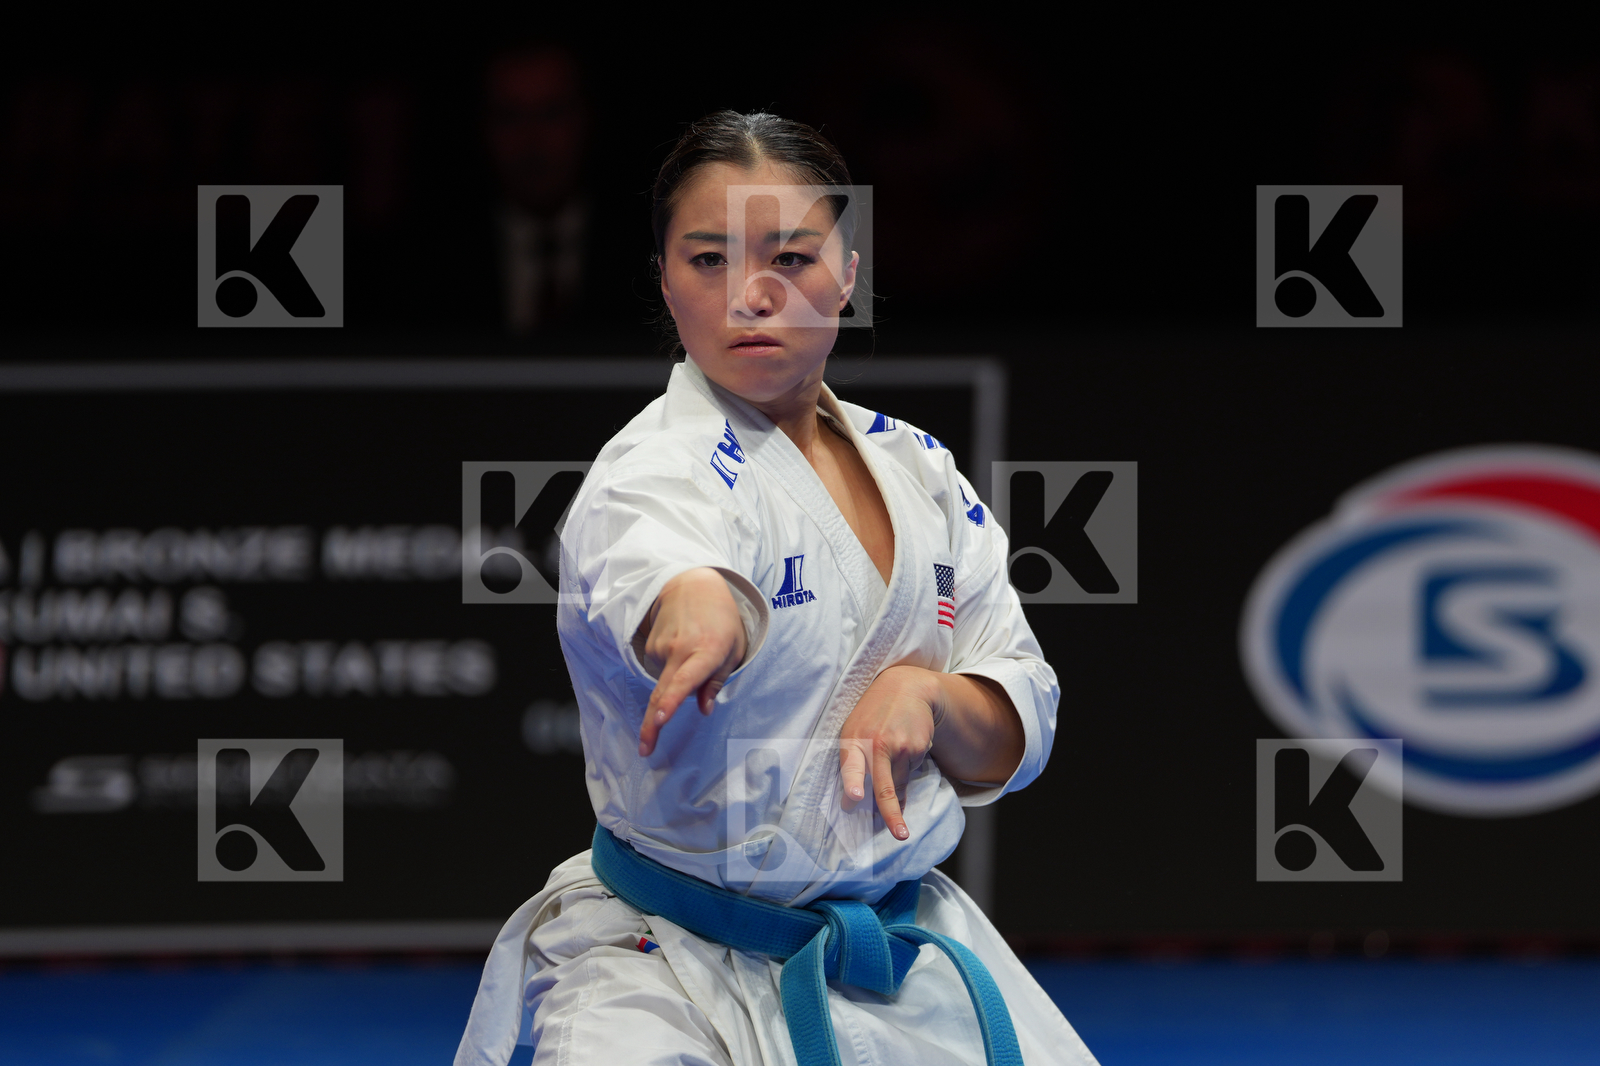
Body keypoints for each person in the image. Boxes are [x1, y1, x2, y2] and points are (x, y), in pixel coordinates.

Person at [456, 111, 1098, 1066]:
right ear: (666, 280)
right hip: (661, 968)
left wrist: (933, 695)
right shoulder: (651, 465)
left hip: (895, 961)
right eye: (708, 260)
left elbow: (1020, 718)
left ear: (848, 271)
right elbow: (662, 558)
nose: (751, 295)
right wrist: (701, 612)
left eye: (791, 258)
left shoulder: (921, 471)